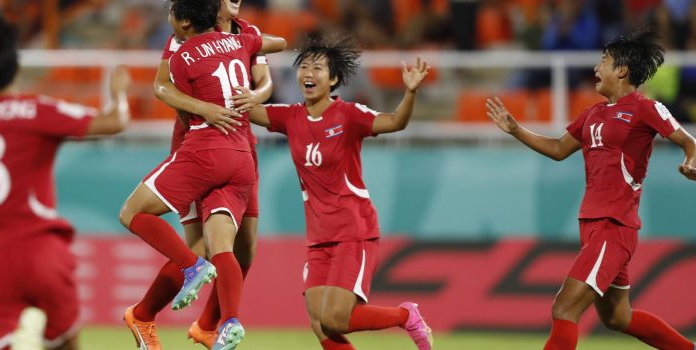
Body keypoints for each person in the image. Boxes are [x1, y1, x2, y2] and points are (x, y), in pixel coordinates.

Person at [485, 28, 696, 350]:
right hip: (593, 224)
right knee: (617, 317)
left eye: (603, 61)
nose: (596, 69)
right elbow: (558, 148)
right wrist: (516, 129)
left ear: (622, 70)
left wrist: (692, 161)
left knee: (564, 308)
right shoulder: (593, 114)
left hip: (615, 225)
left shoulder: (645, 107)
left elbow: (688, 141)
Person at [0, 12, 131, 350]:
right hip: (39, 252)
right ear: (16, 63)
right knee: (65, 343)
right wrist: (118, 92)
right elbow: (114, 122)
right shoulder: (36, 110)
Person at [247, 34, 433, 350]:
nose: (308, 73)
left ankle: (406, 315)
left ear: (333, 78)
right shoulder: (290, 117)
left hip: (352, 228)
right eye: (304, 66)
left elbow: (395, 122)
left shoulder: (349, 115)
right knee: (320, 323)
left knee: (336, 319)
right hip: (319, 235)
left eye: (318, 68)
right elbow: (248, 110)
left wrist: (410, 92)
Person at [117, 0, 285, 349]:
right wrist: (202, 111)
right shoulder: (181, 40)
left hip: (240, 140)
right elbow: (163, 88)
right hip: (200, 138)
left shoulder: (245, 33)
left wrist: (255, 96)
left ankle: (210, 326)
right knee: (198, 246)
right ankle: (145, 314)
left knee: (244, 248)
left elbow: (265, 79)